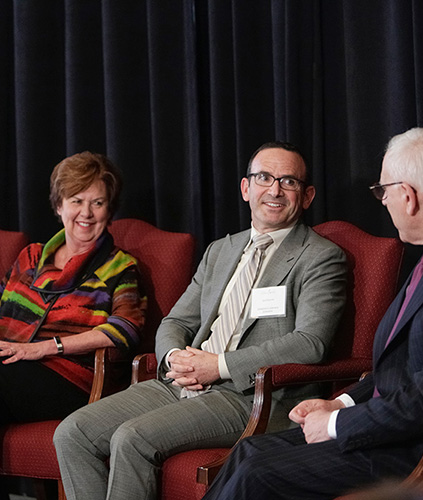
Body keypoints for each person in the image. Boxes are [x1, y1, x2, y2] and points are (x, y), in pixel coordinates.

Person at [202, 127, 423, 500]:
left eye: (383, 191)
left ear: (407, 196)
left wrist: (336, 423)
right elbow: (401, 365)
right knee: (249, 451)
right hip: (401, 428)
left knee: (257, 474)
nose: (383, 202)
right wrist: (339, 402)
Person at [53, 141, 348, 500]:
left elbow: (310, 342)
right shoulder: (220, 250)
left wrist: (218, 366)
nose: (274, 190)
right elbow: (176, 320)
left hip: (250, 395)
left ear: (307, 195)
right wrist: (174, 358)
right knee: (72, 433)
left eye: (288, 182)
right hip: (184, 380)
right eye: (264, 178)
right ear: (245, 188)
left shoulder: (320, 256)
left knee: (132, 438)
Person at [0, 151, 146, 423]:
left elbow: (126, 329)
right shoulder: (30, 257)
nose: (86, 213)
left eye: (98, 203)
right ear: (59, 206)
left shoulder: (118, 267)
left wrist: (45, 347)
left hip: (70, 378)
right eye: (76, 201)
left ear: (110, 209)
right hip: (12, 365)